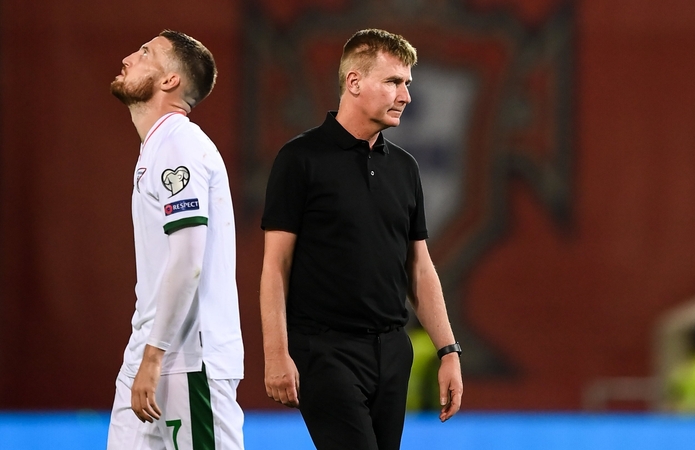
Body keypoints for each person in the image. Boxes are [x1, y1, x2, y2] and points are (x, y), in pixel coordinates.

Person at [259, 28, 463, 450]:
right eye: (393, 82)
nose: (405, 95)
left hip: (392, 351)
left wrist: (448, 351)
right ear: (353, 82)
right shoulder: (299, 160)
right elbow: (275, 266)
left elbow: (419, 266)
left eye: (407, 83)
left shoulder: (405, 169)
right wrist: (277, 354)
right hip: (324, 351)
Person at [107, 30, 245, 449]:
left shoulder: (179, 144)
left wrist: (154, 356)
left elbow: (188, 260)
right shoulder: (158, 147)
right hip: (154, 354)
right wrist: (145, 357)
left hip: (186, 361)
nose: (129, 55)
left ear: (170, 81)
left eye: (146, 51)